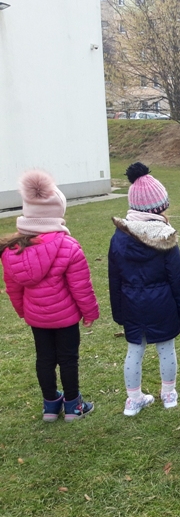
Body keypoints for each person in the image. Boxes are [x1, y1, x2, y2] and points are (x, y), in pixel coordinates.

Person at [0, 170, 99, 421]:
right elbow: (81, 287)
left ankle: (51, 406)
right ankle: (73, 406)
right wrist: (89, 313)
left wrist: (23, 311)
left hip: (37, 318)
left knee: (44, 358)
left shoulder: (12, 250)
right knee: (68, 359)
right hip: (66, 318)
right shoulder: (69, 246)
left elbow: (13, 288)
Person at [109, 163, 180, 416]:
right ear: (160, 206)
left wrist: (119, 311)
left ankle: (133, 399)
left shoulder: (119, 236)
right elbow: (178, 277)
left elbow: (114, 279)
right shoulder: (165, 237)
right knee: (166, 348)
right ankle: (168, 393)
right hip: (162, 304)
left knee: (134, 350)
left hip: (131, 303)